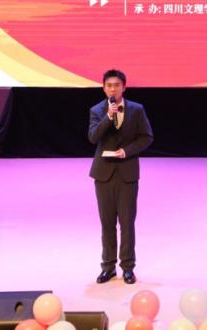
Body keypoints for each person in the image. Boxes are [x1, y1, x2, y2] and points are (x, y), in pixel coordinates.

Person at [88, 69, 154, 284]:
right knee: (107, 223)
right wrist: (109, 116)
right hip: (104, 174)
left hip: (127, 173)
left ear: (124, 87)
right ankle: (108, 267)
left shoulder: (136, 109)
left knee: (127, 223)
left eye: (117, 85)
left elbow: (146, 137)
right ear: (103, 88)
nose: (113, 89)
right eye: (109, 85)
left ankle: (127, 267)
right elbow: (93, 137)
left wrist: (127, 151)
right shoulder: (97, 110)